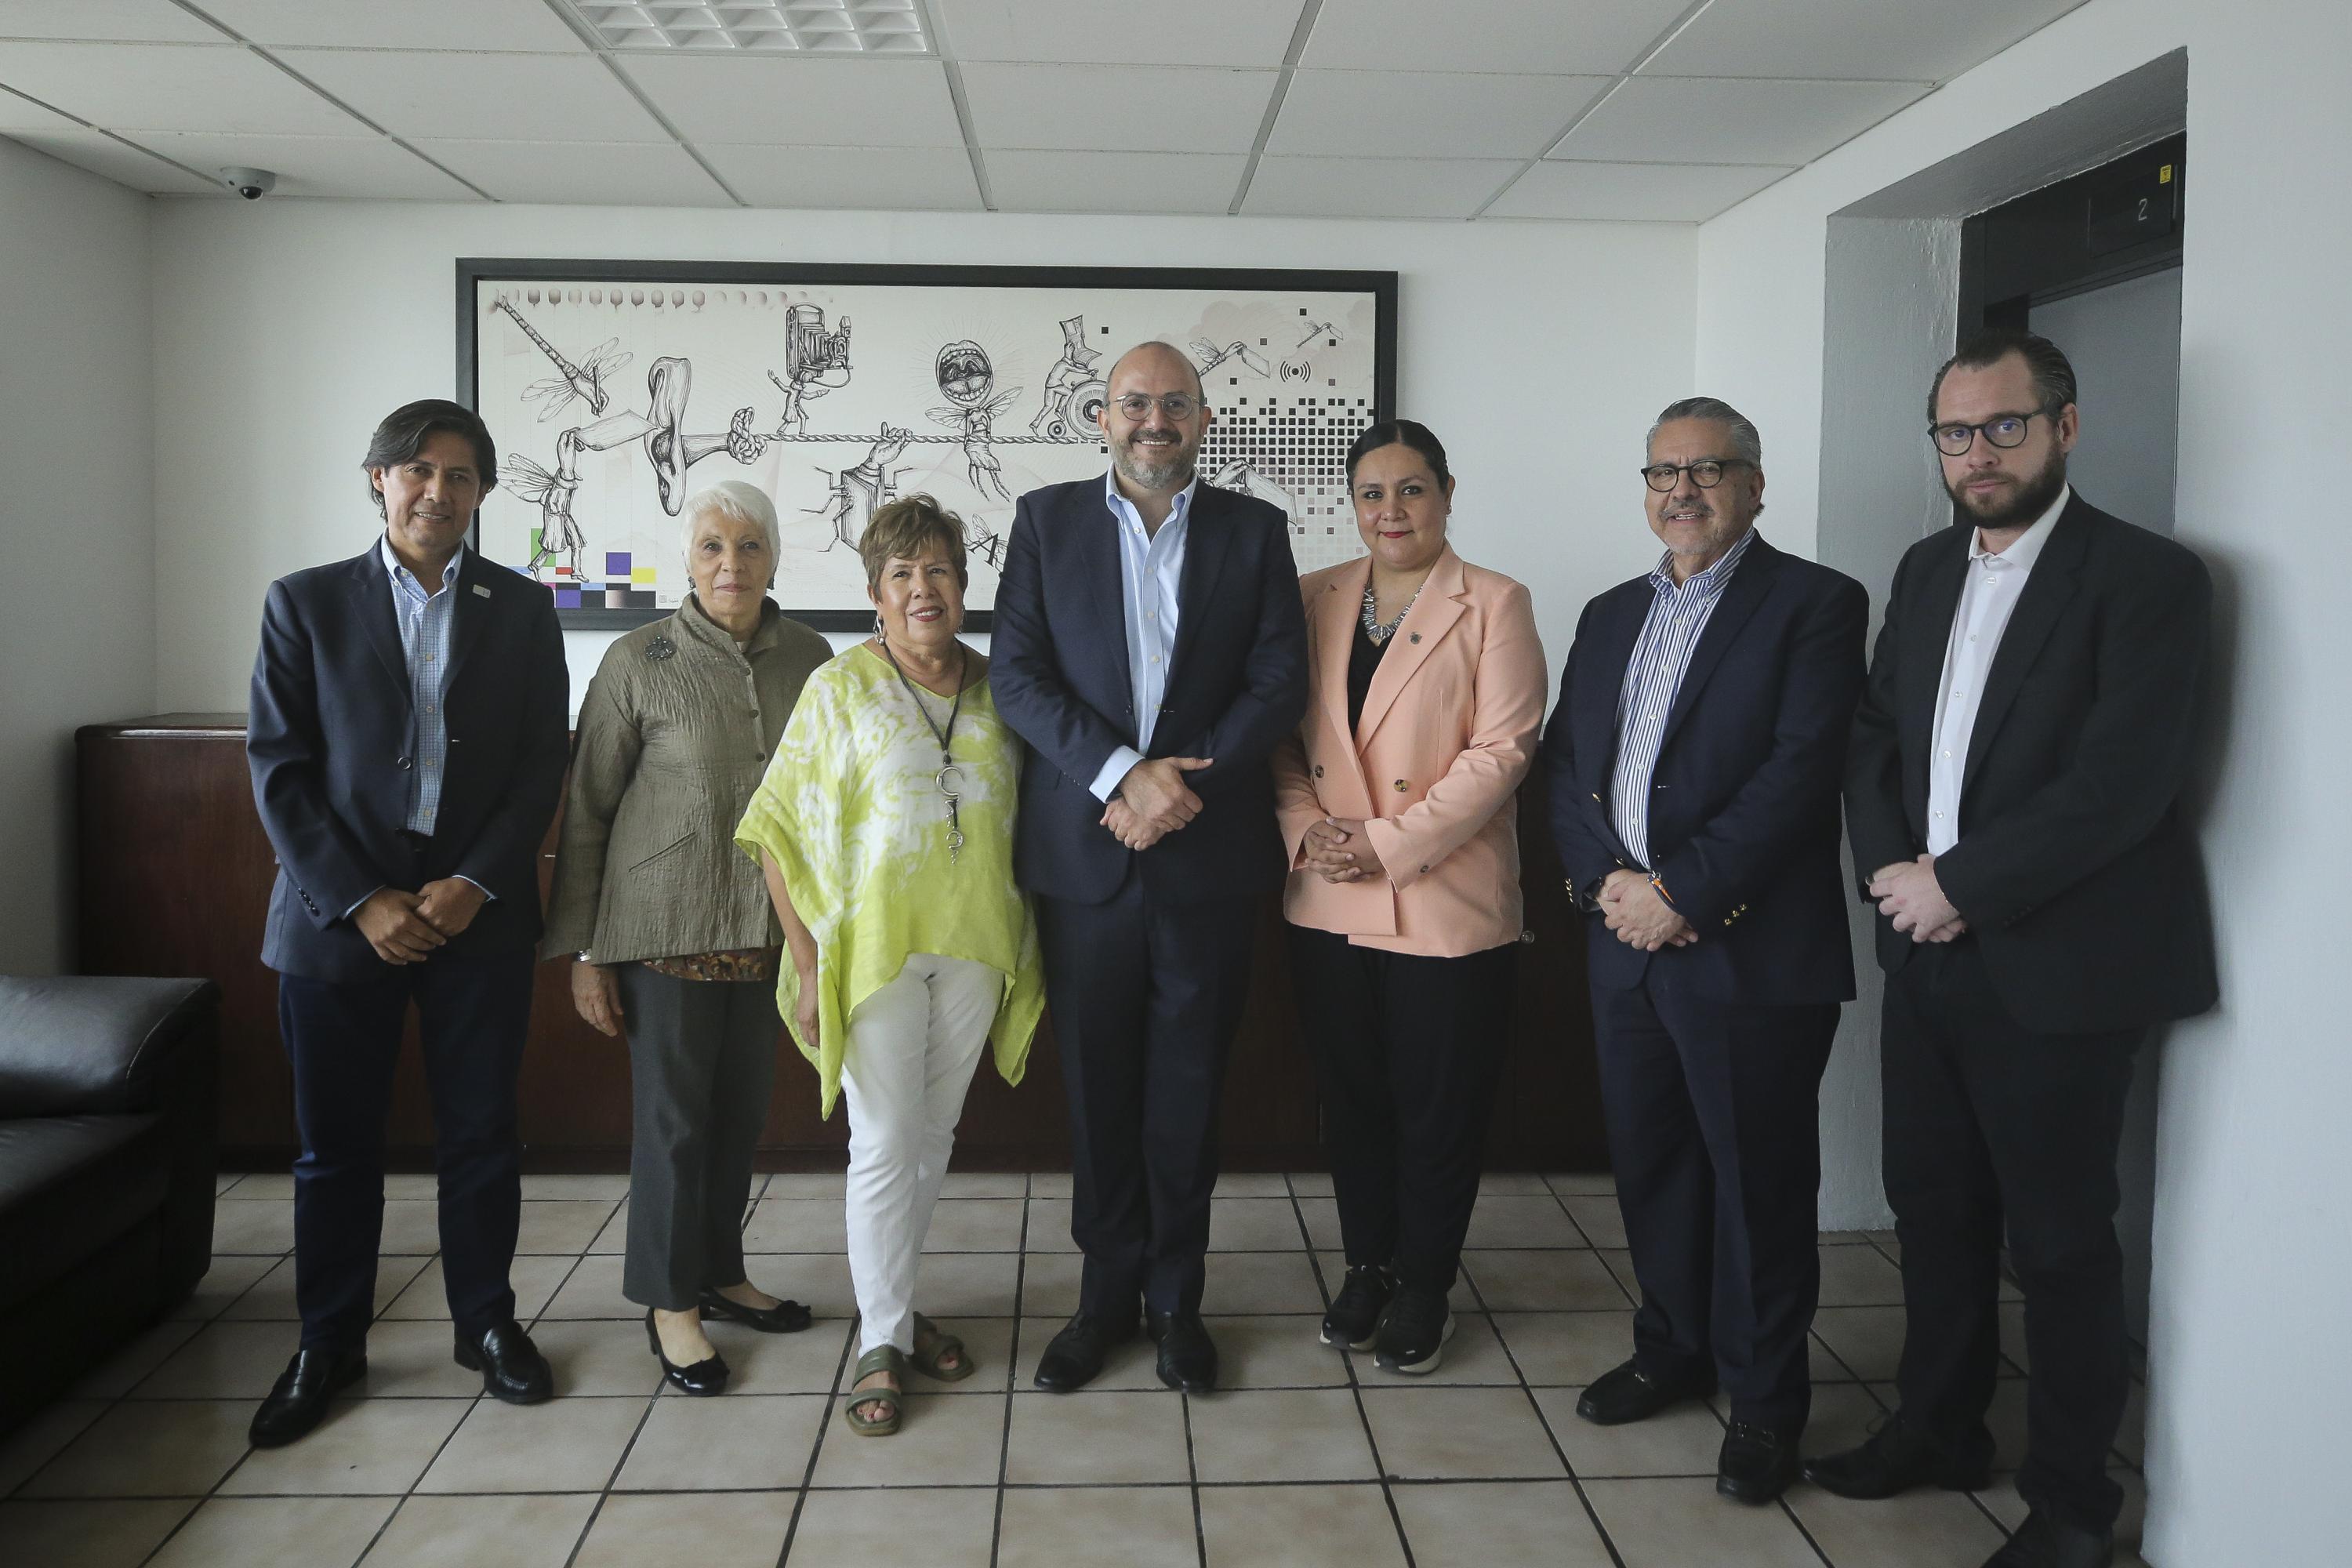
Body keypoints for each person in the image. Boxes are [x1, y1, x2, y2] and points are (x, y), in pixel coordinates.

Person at [1809, 329, 2215, 1568]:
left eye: (2004, 426)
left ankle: (2074, 1504)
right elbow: (1875, 734)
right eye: (1955, 432)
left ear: (2065, 428)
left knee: (2061, 1244)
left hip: (2059, 965)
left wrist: (1961, 886)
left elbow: (2122, 788)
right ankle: (1940, 1429)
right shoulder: (1929, 568)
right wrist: (1895, 877)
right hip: (1924, 950)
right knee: (1934, 1215)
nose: (1978, 453)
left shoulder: (2148, 579)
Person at [1537, 397, 1867, 1504]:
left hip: (1747, 954)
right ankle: (1672, 1346)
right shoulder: (1608, 612)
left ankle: (1767, 1402)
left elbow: (1799, 773)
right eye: (1663, 471)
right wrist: (1608, 889)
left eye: (1709, 470)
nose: (1682, 490)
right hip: (1624, 948)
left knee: (1759, 1184)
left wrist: (1682, 892)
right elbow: (1568, 767)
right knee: (1656, 1168)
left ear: (1755, 485)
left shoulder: (1816, 604)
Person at [244, 399, 569, 1446]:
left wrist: (476, 880)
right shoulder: (305, 605)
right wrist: (363, 898)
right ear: (378, 480)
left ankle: (487, 1325)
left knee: (481, 1136)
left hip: (477, 916)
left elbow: (537, 764)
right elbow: (280, 773)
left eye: (463, 475)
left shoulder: (521, 608)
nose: (440, 492)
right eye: (420, 471)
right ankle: (328, 1343)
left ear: (482, 493)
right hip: (339, 923)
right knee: (335, 1150)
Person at [991, 341, 1309, 1395]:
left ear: (1205, 419)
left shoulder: (1256, 532)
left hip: (1205, 864)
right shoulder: (1046, 522)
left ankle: (1177, 1301)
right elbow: (1018, 678)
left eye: (1175, 404)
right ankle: (1102, 1300)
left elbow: (1277, 682)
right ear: (1101, 416)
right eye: (1136, 404)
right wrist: (1125, 775)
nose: (1154, 421)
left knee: (1186, 1094)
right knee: (1096, 1093)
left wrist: (1184, 788)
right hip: (1085, 865)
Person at [735, 494, 1044, 1437]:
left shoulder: (1005, 690)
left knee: (933, 1136)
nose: (924, 589)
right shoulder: (838, 687)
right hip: (871, 953)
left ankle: (895, 1315)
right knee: (881, 1142)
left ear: (965, 583)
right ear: (875, 593)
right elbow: (778, 828)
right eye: (903, 574)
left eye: (940, 571)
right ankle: (881, 1337)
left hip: (976, 944)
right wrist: (802, 953)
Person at [541, 481, 830, 1396]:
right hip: (658, 930)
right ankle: (670, 1303)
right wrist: (585, 951)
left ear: (775, 558)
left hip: (766, 931)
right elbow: (586, 809)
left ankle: (720, 1270)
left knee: (739, 1115)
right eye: (711, 546)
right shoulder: (638, 659)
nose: (730, 564)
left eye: (748, 546)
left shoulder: (815, 657)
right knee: (673, 1124)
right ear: (688, 559)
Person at [1271, 419, 1546, 1374]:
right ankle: (1367, 1265)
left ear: (1447, 492)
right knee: (1352, 1100)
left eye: (1413, 489)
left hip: (1443, 893)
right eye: (1374, 493)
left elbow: (1503, 751)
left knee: (1438, 1104)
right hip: (1327, 894)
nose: (1392, 510)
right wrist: (1305, 827)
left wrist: (1384, 843)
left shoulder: (1496, 602)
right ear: (1351, 505)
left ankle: (1426, 1279)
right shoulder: (1312, 596)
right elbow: (1277, 733)